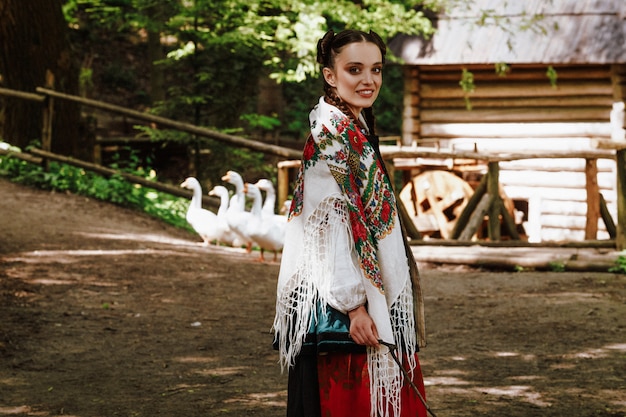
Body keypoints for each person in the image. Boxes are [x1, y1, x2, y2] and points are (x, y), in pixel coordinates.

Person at [272, 29, 428, 417]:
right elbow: (328, 229)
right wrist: (355, 308)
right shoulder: (332, 138)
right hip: (344, 305)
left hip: (362, 296)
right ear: (330, 75)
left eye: (376, 69)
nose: (368, 80)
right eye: (354, 69)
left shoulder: (351, 130)